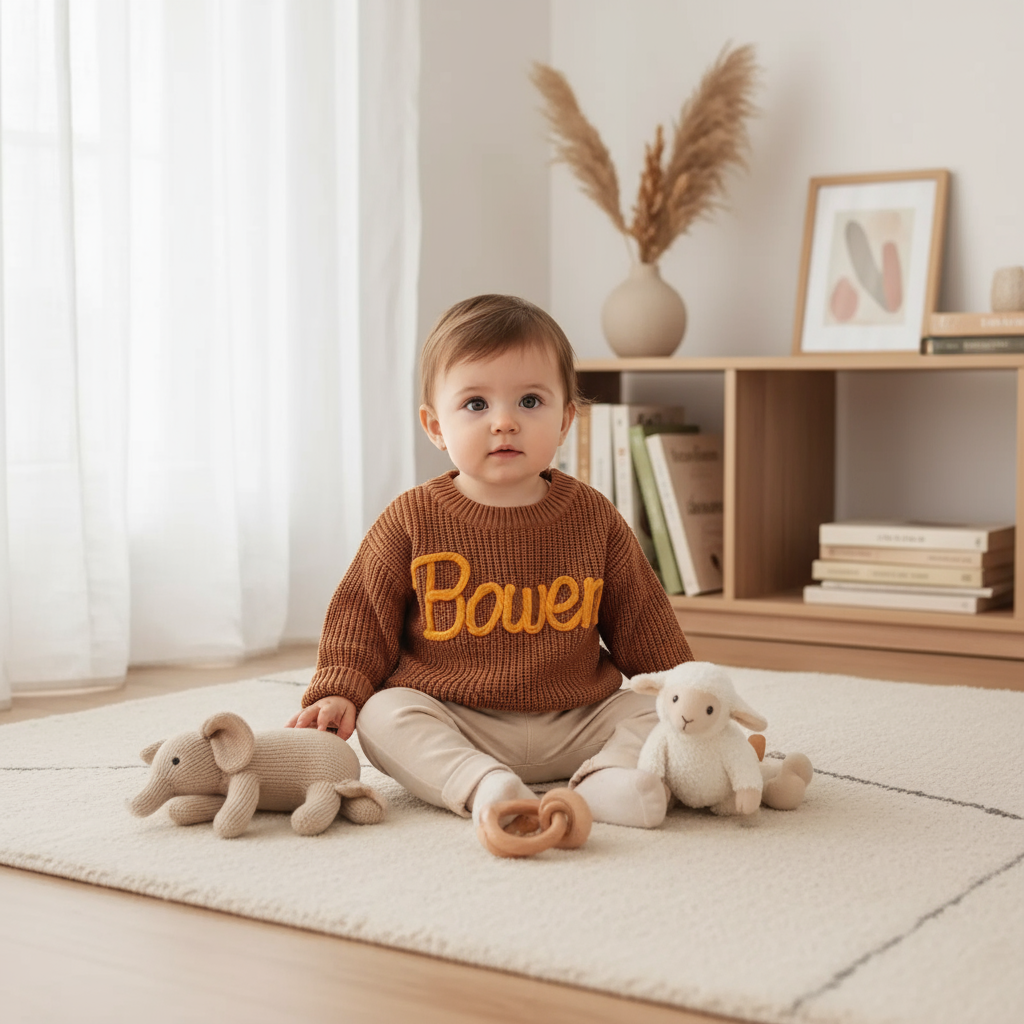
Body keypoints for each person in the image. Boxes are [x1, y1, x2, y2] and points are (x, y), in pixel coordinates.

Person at [287, 294, 693, 829]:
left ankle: (607, 780)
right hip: (457, 719)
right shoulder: (411, 517)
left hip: (577, 720)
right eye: (476, 404)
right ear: (436, 426)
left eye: (530, 401)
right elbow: (362, 615)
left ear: (565, 420)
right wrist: (340, 688)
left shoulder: (593, 516)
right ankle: (483, 784)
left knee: (654, 711)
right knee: (383, 714)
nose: (504, 422)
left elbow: (644, 619)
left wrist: (690, 694)